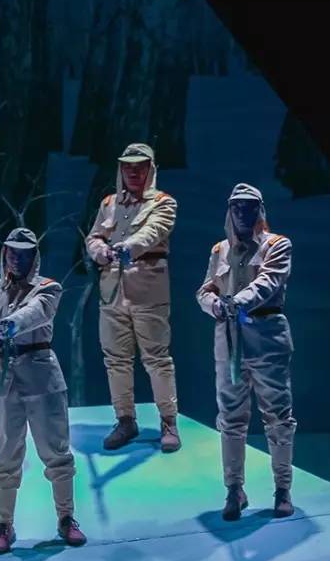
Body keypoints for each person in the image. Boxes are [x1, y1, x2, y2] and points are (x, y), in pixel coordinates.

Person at [0, 228, 82, 555]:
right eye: (11, 252)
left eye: (23, 253)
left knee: (56, 450)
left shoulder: (48, 288)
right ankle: (4, 523)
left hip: (41, 374)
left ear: (34, 256)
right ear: (4, 253)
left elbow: (36, 312)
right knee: (6, 454)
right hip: (3, 376)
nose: (16, 259)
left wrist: (8, 326)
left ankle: (66, 517)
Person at [196, 184, 296, 521]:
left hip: (267, 336)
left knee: (278, 416)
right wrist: (214, 304)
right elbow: (205, 289)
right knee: (230, 418)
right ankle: (234, 489)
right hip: (228, 338)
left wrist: (235, 302)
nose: (243, 212)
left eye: (250, 206)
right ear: (229, 210)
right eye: (237, 206)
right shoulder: (220, 250)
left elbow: (268, 282)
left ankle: (282, 488)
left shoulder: (277, 245)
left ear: (260, 209)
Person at [85, 143, 181, 453]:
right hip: (112, 289)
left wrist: (128, 247)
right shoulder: (110, 203)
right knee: (115, 358)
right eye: (128, 166)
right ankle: (125, 420)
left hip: (148, 287)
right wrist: (99, 250)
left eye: (140, 166)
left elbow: (154, 231)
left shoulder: (163, 203)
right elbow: (94, 236)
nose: (133, 172)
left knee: (156, 358)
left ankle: (168, 421)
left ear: (150, 169)